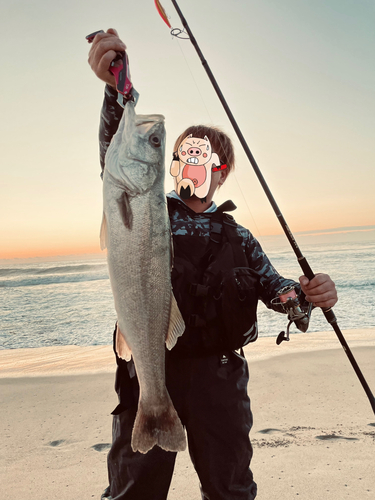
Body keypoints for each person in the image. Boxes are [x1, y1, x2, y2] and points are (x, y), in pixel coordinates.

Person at [88, 29, 338, 500]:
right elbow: (114, 159)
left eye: (205, 158)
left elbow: (280, 294)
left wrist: (309, 294)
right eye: (183, 155)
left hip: (220, 380)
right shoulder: (148, 208)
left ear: (221, 171)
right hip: (149, 365)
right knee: (132, 493)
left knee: (231, 491)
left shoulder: (240, 238)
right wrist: (115, 90)